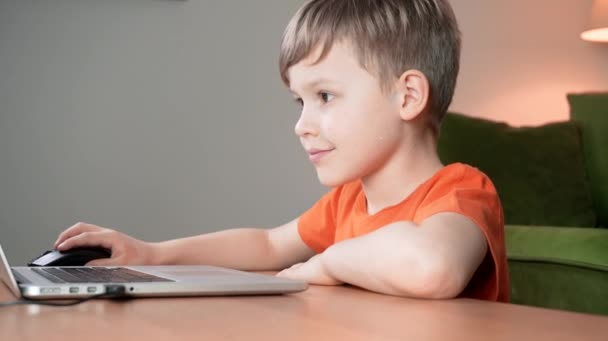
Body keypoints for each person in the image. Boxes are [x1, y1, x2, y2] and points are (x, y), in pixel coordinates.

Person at [53, 0, 509, 302]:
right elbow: (268, 243)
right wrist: (151, 254)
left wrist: (327, 262)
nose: (300, 125)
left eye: (325, 96)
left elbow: (432, 268)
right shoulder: (347, 202)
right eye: (300, 100)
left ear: (407, 96)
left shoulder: (462, 192)